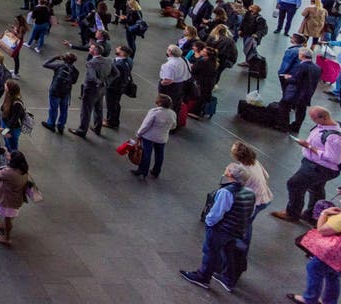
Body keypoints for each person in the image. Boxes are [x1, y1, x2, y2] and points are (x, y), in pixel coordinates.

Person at [179, 163, 255, 292]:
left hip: (222, 229)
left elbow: (216, 213)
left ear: (230, 174)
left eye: (227, 169)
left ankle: (203, 277)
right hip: (237, 229)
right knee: (229, 253)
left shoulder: (226, 192)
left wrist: (208, 223)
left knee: (211, 252)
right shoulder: (250, 192)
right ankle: (229, 280)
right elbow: (250, 212)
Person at [272, 107, 341, 225]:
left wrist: (309, 146)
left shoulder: (333, 137)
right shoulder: (324, 126)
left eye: (314, 118)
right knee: (316, 188)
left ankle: (292, 214)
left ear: (324, 118)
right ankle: (313, 215)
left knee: (294, 184)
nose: (312, 120)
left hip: (320, 167)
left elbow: (334, 158)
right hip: (316, 165)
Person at [71, 44, 115, 138]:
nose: (89, 48)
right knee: (98, 109)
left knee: (86, 110)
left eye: (91, 48)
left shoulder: (91, 63)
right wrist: (105, 82)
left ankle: (82, 130)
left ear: (95, 51)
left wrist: (99, 82)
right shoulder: (109, 60)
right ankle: (97, 128)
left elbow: (92, 77)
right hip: (102, 90)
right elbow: (116, 73)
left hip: (90, 90)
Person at [0, 150, 32, 247]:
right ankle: (4, 225)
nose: (8, 156)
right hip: (17, 198)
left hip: (6, 199)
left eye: (10, 156)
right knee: (9, 215)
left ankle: (7, 238)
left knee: (7, 218)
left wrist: (2, 168)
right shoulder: (23, 171)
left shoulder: (8, 172)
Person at [280, 48, 324, 134]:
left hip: (296, 92)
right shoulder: (317, 68)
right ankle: (296, 127)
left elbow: (296, 80)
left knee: (284, 106)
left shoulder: (301, 66)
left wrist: (287, 78)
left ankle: (284, 126)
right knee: (301, 110)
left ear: (302, 56)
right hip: (308, 93)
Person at [133, 94, 177, 179]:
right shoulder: (172, 113)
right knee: (159, 154)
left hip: (149, 137)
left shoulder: (154, 112)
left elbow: (146, 125)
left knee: (146, 154)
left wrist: (138, 134)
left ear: (159, 103)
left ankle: (143, 171)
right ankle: (156, 171)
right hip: (162, 138)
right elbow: (174, 126)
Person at [41, 53, 79, 134]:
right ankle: (61, 126)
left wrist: (55, 57)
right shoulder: (76, 71)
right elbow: (74, 82)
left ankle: (51, 124)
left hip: (55, 91)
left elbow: (45, 64)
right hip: (66, 92)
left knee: (53, 108)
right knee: (64, 110)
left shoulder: (59, 66)